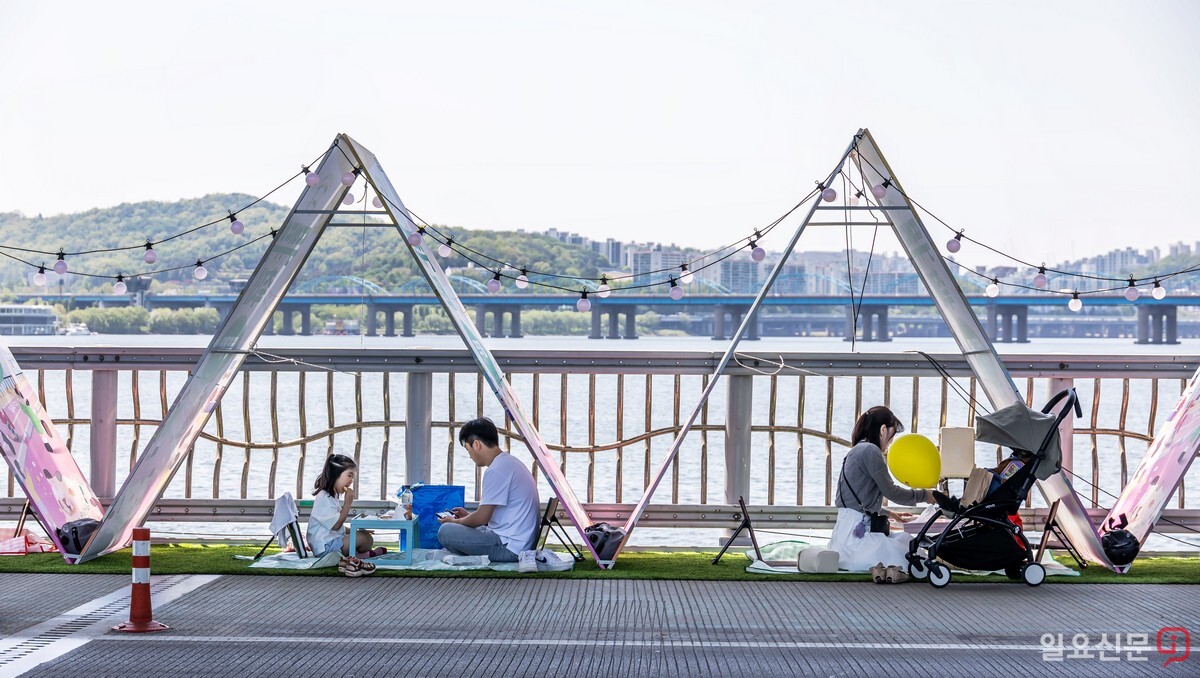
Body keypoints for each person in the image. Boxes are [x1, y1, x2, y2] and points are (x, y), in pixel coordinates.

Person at [829, 406, 935, 582]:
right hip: (857, 541)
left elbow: (851, 501)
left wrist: (890, 513)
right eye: (892, 436)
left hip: (843, 537)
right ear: (883, 430)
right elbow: (892, 492)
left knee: (900, 541)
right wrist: (926, 495)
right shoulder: (871, 451)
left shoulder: (855, 450)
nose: (891, 442)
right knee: (907, 546)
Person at [438, 418, 541, 570]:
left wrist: (455, 522)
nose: (470, 455)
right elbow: (489, 515)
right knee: (459, 528)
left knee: (445, 532)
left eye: (468, 449)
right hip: (518, 541)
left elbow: (482, 517)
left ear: (476, 444)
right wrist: (467, 517)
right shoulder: (508, 463)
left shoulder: (496, 470)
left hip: (509, 548)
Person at [307, 453, 386, 559]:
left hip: (332, 542)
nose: (351, 480)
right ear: (335, 474)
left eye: (353, 477)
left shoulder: (332, 496)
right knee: (364, 538)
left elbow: (337, 528)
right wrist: (348, 503)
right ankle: (360, 555)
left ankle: (359, 554)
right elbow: (336, 525)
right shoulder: (324, 498)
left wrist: (356, 531)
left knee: (365, 536)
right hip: (325, 548)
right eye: (349, 475)